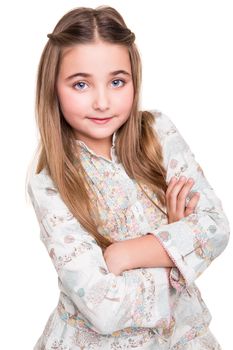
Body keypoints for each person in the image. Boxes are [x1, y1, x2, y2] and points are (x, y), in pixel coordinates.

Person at [26, 5, 230, 350]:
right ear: (53, 88)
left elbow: (215, 227)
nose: (102, 102)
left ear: (134, 79)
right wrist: (174, 246)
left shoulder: (158, 133)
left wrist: (126, 253)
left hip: (180, 338)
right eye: (81, 84)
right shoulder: (49, 184)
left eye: (117, 81)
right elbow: (103, 308)